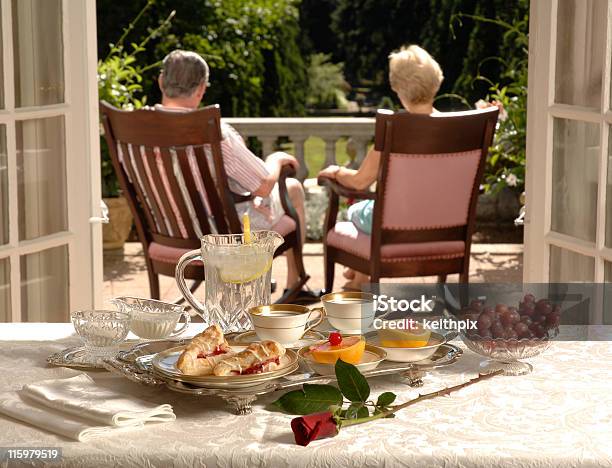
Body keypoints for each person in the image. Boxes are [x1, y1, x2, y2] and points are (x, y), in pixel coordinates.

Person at [156, 50, 318, 303]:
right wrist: (275, 159)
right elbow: (263, 185)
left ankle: (263, 281)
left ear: (160, 82)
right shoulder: (213, 131)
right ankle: (294, 285)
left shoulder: (136, 128)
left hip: (166, 231)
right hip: (220, 237)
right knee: (293, 188)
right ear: (200, 89)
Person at [318, 45, 444, 290]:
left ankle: (358, 279)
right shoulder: (457, 128)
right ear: (436, 81)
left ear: (397, 88)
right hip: (439, 225)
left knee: (357, 211)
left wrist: (335, 172)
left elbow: (359, 182)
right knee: (371, 211)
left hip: (395, 226)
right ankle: (358, 276)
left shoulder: (394, 129)